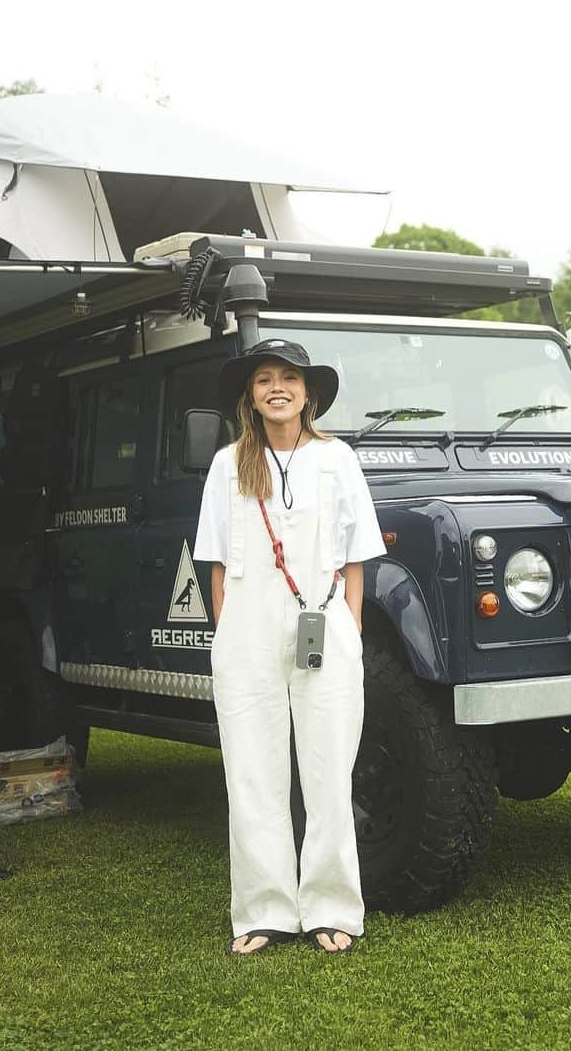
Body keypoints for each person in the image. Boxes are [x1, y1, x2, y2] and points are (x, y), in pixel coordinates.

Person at [193, 337, 385, 956]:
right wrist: (228, 632)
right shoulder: (229, 464)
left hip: (324, 625)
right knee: (252, 776)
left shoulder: (338, 460)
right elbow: (217, 562)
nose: (277, 387)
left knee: (329, 773)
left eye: (289, 378)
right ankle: (263, 910)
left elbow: (358, 557)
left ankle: (331, 908)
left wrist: (350, 623)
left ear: (309, 393)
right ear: (250, 396)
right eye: (264, 379)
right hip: (247, 630)